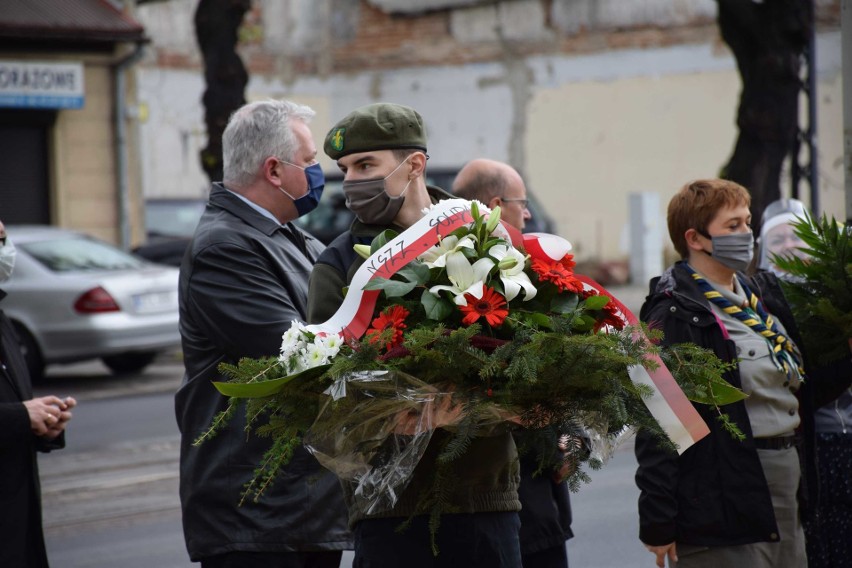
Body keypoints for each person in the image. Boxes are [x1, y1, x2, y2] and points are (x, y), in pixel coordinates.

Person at [308, 103, 522, 568]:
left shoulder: (483, 239)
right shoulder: (340, 265)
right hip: (391, 510)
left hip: (486, 498)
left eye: (366, 166)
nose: (350, 182)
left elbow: (532, 349)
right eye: (345, 170)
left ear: (415, 165)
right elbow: (326, 390)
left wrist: (503, 402)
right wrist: (401, 414)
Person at [634, 179, 852, 568]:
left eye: (748, 222)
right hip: (726, 497)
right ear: (695, 238)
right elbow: (661, 422)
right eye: (732, 226)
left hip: (787, 483)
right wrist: (658, 520)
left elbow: (796, 394)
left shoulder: (761, 296)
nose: (748, 234)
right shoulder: (672, 311)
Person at [175, 99, 352, 568]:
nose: (319, 172)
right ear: (274, 170)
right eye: (311, 161)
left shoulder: (295, 237)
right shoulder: (225, 247)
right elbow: (297, 356)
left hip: (302, 504)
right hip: (256, 512)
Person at [453, 158, 573, 568]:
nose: (527, 214)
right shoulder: (467, 281)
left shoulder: (526, 269)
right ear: (497, 203)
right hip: (517, 500)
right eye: (523, 204)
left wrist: (575, 437)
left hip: (533, 498)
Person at [756, 198, 852, 568]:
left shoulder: (836, 292)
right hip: (812, 447)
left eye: (797, 235)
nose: (789, 245)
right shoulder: (761, 307)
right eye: (777, 240)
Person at [0, 220, 76, 568]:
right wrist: (20, 417)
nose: (5, 253)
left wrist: (44, 422)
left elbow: (15, 400)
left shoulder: (2, 316)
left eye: (3, 240)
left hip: (17, 514)